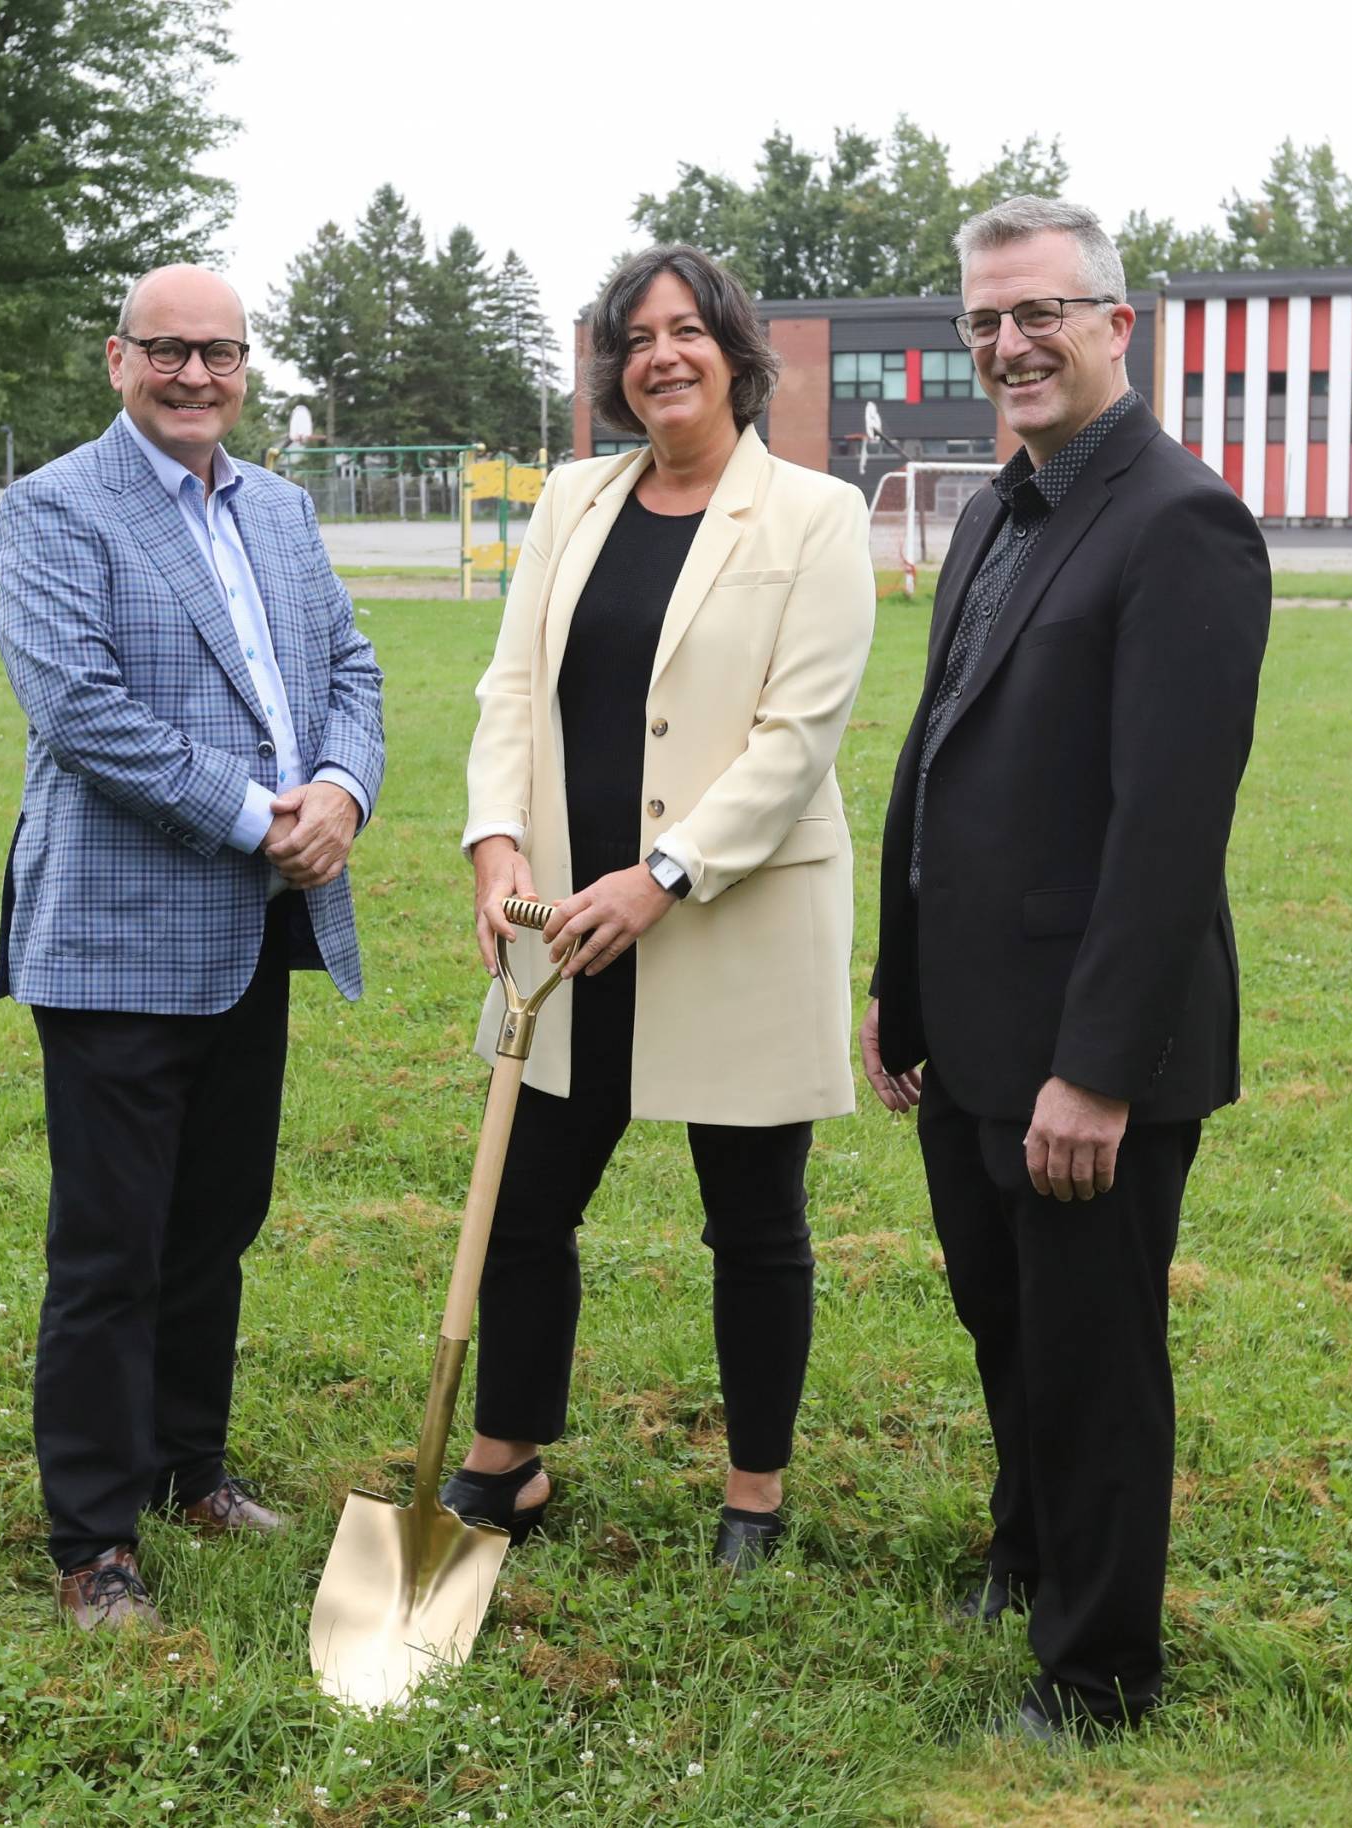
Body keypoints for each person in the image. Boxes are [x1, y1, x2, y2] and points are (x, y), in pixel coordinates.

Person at [860, 198, 1270, 1738]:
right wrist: (897, 986)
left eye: (1039, 313)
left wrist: (1092, 1073)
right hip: (965, 1021)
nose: (1009, 344)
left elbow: (1166, 835)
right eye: (982, 320)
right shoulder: (992, 505)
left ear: (1116, 322)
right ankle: (1028, 1548)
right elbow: (934, 762)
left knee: (1093, 1356)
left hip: (1092, 1045)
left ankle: (1098, 1668)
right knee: (1002, 1318)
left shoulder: (1181, 524)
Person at [453, 244, 875, 1570]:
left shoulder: (814, 515)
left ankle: (752, 1496)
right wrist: (494, 844)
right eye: (636, 338)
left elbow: (794, 737)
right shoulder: (571, 498)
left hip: (729, 916)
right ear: (614, 370)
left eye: (687, 332)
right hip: (567, 923)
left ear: (736, 355)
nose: (661, 357)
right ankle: (499, 1465)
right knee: (521, 1206)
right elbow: (509, 689)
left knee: (753, 1228)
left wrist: (665, 875)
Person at [0, 264, 384, 1630]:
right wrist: (256, 816)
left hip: (255, 932)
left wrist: (340, 791)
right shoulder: (53, 508)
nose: (196, 375)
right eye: (169, 351)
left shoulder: (277, 507)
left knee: (216, 1222)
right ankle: (93, 1539)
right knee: (111, 1246)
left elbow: (350, 670)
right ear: (118, 361)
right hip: (113, 933)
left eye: (219, 352)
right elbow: (79, 709)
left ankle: (187, 1467)